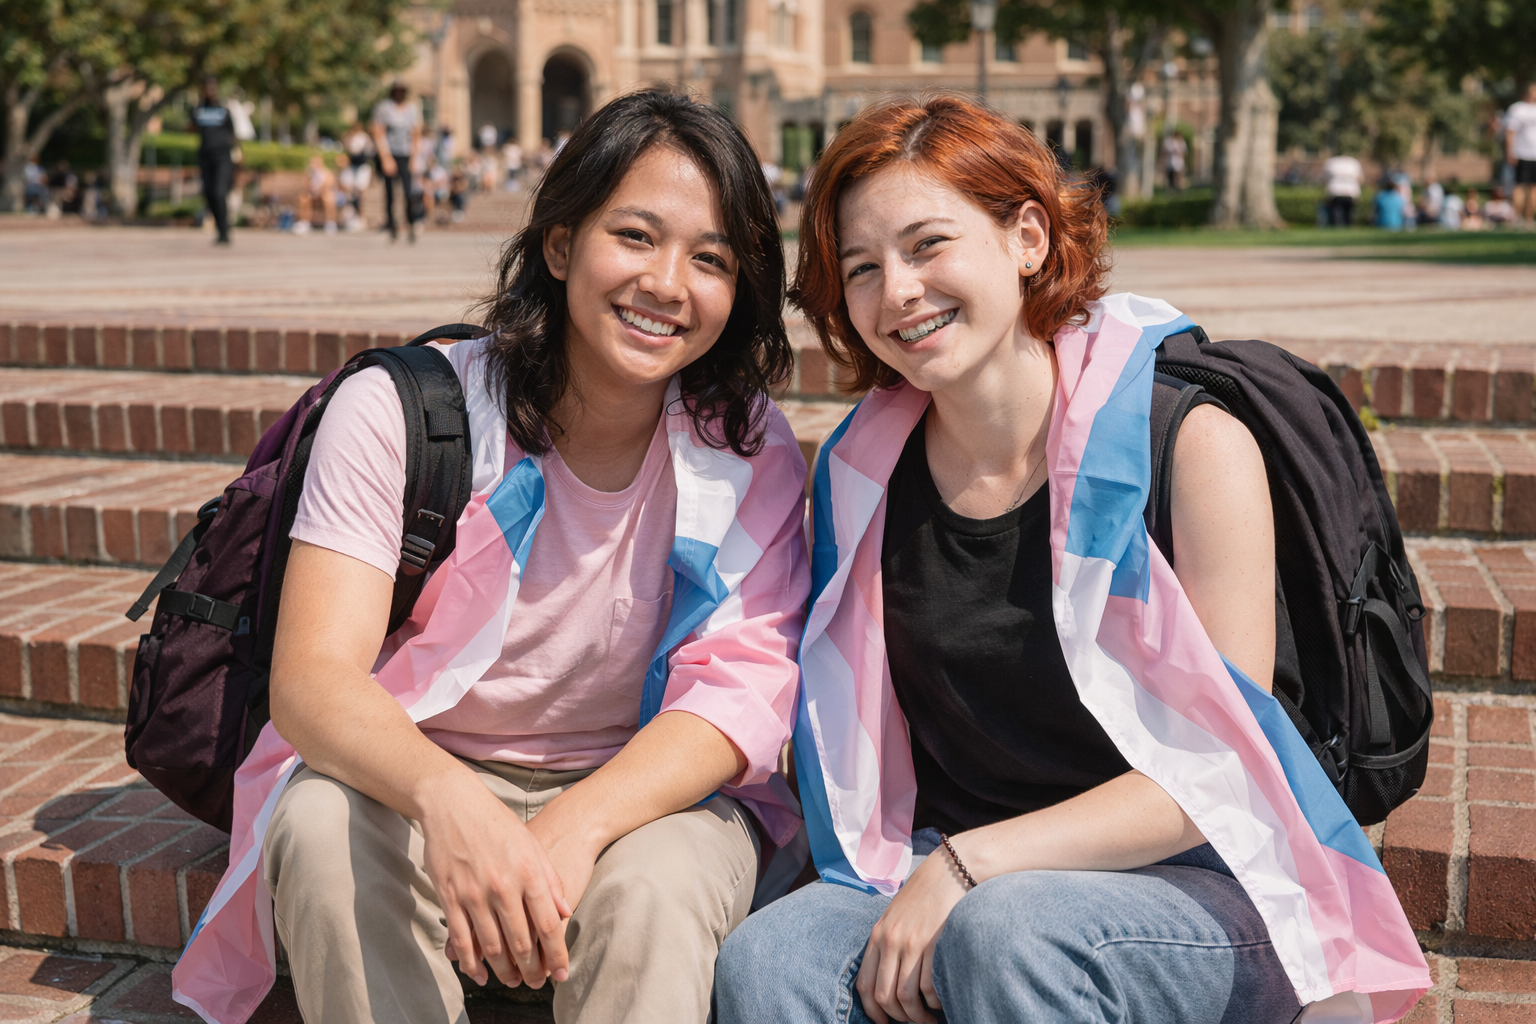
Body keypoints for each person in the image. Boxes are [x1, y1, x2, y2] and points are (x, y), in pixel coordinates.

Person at [714, 94, 1428, 1024]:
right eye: (861, 267)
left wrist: (973, 867)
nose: (897, 293)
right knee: (774, 958)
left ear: (1027, 237)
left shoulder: (1191, 444)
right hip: (963, 863)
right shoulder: (862, 475)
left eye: (929, 245)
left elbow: (1220, 766)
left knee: (1013, 931)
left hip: (1210, 876)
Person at [171, 90, 810, 1024]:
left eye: (711, 259)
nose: (668, 283)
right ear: (560, 246)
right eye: (634, 236)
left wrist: (577, 824)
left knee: (651, 898)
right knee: (320, 827)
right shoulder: (404, 412)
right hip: (417, 765)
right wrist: (447, 802)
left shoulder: (748, 446)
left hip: (645, 792)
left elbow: (740, 694)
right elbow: (311, 680)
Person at [371, 81, 423, 242]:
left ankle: (411, 223)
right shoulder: (384, 108)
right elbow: (378, 132)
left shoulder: (412, 109)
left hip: (405, 154)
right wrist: (386, 158)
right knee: (390, 193)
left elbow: (416, 134)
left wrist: (415, 157)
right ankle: (392, 227)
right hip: (389, 153)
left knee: (408, 192)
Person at [191, 76, 238, 244]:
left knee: (219, 193)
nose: (210, 90)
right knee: (209, 194)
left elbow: (233, 134)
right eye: (206, 87)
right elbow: (192, 128)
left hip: (223, 158)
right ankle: (220, 230)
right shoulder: (197, 109)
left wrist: (238, 156)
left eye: (212, 87)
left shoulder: (224, 109)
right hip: (205, 157)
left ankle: (225, 231)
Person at [1506, 82, 1536, 221]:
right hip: (1522, 154)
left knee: (1533, 188)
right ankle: (1517, 218)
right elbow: (1510, 132)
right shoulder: (1517, 109)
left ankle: (1529, 219)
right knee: (1519, 186)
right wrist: (1509, 152)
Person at [294, 154, 339, 235]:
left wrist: (320, 190)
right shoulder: (310, 173)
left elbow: (329, 184)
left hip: (323, 193)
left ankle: (330, 223)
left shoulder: (326, 172)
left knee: (328, 198)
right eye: (312, 162)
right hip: (312, 194)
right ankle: (305, 223)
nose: (313, 164)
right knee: (303, 199)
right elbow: (305, 184)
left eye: (315, 162)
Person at [1323, 152, 1363, 226]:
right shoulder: (1353, 162)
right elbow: (1360, 178)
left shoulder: (1331, 162)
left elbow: (1326, 178)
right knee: (1348, 213)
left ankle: (1338, 227)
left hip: (1335, 192)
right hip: (1350, 192)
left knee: (1336, 213)